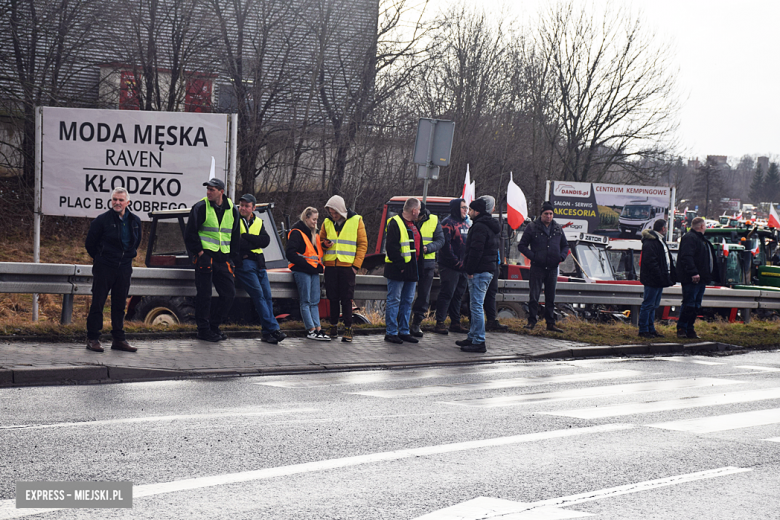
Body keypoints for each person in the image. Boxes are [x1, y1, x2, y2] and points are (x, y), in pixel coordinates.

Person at [84, 187, 141, 352]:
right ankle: (93, 338)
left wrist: (127, 257)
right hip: (104, 267)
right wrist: (101, 258)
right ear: (111, 201)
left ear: (127, 202)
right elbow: (90, 244)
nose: (117, 202)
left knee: (119, 304)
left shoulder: (135, 221)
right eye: (115, 199)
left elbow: (136, 242)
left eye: (121, 200)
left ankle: (118, 339)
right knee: (98, 303)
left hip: (124, 268)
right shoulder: (102, 220)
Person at [184, 178, 240, 342]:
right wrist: (200, 253)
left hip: (223, 259)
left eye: (212, 190)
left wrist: (231, 259)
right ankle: (203, 330)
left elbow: (235, 236)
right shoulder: (201, 207)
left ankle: (214, 327)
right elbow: (190, 233)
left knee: (229, 294)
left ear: (221, 192)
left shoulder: (232, 209)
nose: (208, 192)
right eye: (207, 189)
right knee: (204, 295)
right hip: (205, 258)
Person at [235, 194, 286, 344]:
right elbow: (238, 243)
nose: (243, 208)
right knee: (259, 296)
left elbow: (265, 241)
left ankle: (267, 333)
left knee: (267, 297)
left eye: (246, 206)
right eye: (241, 205)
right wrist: (254, 242)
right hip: (244, 264)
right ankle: (274, 329)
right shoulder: (234, 220)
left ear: (253, 208)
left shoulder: (258, 221)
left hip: (259, 264)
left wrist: (248, 237)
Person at [320, 195, 368, 342]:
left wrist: (355, 266)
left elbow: (362, 244)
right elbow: (319, 241)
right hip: (330, 266)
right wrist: (324, 245)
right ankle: (333, 326)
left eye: (335, 212)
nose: (333, 215)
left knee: (346, 299)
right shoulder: (327, 223)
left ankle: (348, 328)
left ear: (341, 210)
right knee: (332, 298)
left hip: (347, 267)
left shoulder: (356, 220)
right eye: (330, 212)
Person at [517, 201, 570, 333]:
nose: (548, 216)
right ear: (541, 214)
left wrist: (561, 257)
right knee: (534, 296)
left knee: (550, 297)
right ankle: (531, 321)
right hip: (537, 267)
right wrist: (533, 257)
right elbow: (522, 245)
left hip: (552, 267)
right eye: (546, 213)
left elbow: (565, 245)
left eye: (551, 213)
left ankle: (550, 323)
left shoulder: (557, 228)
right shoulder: (532, 227)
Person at [456, 198, 500, 353]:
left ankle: (479, 341)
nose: (468, 213)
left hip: (479, 271)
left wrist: (469, 269)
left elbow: (476, 250)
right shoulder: (488, 226)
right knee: (476, 305)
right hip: (486, 270)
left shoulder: (480, 227)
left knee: (476, 306)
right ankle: (472, 336)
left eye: (471, 210)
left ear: (477, 211)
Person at [286, 206, 329, 341]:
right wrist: (307, 265)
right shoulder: (297, 232)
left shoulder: (313, 234)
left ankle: (317, 328)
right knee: (306, 301)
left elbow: (314, 252)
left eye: (317, 220)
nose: (316, 222)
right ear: (306, 218)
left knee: (314, 301)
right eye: (314, 219)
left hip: (313, 270)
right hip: (303, 270)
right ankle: (311, 329)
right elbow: (291, 253)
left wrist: (325, 245)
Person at [384, 198, 422, 344]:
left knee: (407, 301)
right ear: (413, 210)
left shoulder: (413, 224)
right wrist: (401, 266)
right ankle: (391, 332)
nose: (419, 212)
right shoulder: (395, 222)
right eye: (418, 209)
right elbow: (392, 248)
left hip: (411, 269)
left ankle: (404, 331)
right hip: (398, 269)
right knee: (394, 300)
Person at [676, 216, 720, 339]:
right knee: (689, 304)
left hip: (701, 279)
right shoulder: (690, 238)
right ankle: (682, 328)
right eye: (705, 225)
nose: (705, 227)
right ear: (701, 226)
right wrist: (693, 272)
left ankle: (690, 328)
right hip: (692, 278)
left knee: (695, 305)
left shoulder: (700, 239)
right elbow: (687, 257)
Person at [433, 198, 470, 335]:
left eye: (466, 208)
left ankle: (455, 322)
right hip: (449, 266)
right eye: (463, 207)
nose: (465, 210)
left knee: (458, 295)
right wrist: (456, 262)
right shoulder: (447, 223)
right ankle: (440, 322)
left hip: (463, 267)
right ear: (456, 208)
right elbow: (445, 246)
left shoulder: (466, 224)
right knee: (447, 293)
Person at [410, 201, 444, 337]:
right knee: (407, 295)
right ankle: (404, 323)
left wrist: (428, 248)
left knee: (424, 295)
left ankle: (416, 323)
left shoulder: (434, 220)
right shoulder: (407, 220)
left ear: (422, 214)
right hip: (410, 262)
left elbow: (441, 240)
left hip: (427, 262)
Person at [638, 219, 676, 338]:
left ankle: (650, 329)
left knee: (653, 305)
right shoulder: (651, 242)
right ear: (663, 228)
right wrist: (660, 275)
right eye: (666, 228)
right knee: (648, 304)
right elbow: (651, 262)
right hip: (653, 279)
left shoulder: (657, 240)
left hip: (658, 279)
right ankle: (644, 330)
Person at [478, 195, 509, 332]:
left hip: (493, 263)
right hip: (487, 264)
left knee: (491, 293)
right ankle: (480, 324)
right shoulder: (485, 224)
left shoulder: (493, 224)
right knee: (481, 296)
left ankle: (491, 320)